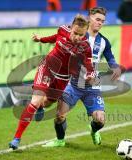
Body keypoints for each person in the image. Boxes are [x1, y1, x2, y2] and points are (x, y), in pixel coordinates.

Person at [9, 14, 95, 150]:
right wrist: (41, 39)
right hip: (47, 68)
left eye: (81, 35)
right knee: (35, 101)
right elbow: (55, 38)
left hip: (63, 77)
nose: (77, 37)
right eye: (75, 33)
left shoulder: (85, 46)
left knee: (47, 103)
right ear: (71, 27)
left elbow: (89, 63)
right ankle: (16, 138)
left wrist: (90, 74)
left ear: (85, 33)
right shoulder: (62, 30)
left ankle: (42, 106)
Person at [41, 7, 123, 147]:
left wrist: (116, 67)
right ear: (89, 17)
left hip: (92, 87)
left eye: (102, 21)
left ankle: (93, 129)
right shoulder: (76, 34)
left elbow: (110, 59)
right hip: (73, 84)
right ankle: (60, 140)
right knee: (59, 115)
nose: (100, 23)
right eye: (97, 19)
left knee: (100, 120)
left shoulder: (104, 42)